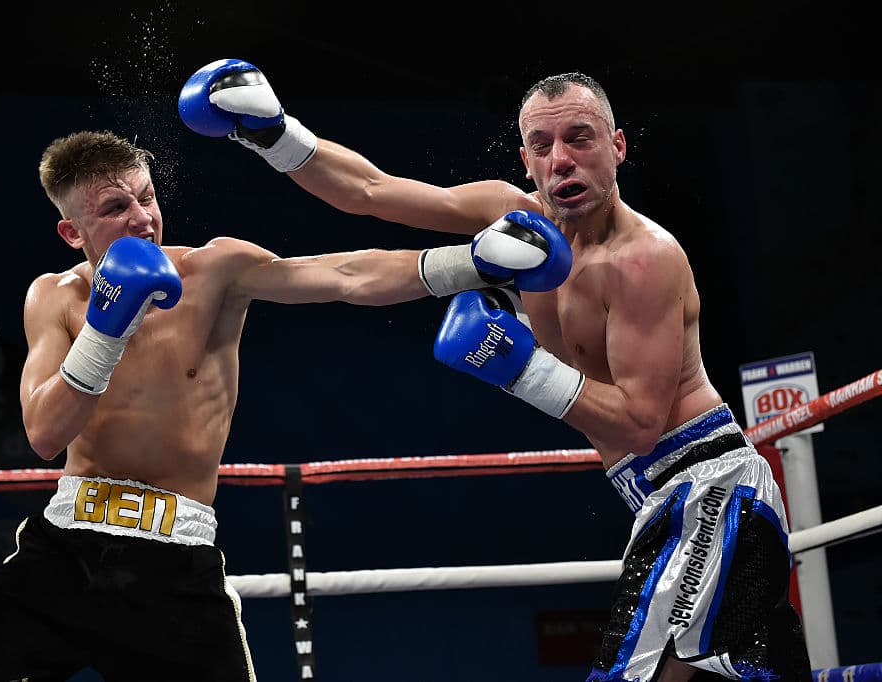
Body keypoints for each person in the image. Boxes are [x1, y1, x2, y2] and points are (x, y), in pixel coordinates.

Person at [178, 60, 814, 681]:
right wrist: (273, 132)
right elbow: (369, 191)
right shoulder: (514, 217)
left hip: (709, 488)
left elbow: (644, 423)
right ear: (526, 160)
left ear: (617, 147)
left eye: (580, 138)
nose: (561, 157)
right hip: (657, 496)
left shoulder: (644, 260)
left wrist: (519, 368)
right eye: (542, 145)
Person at [0, 130, 567, 681]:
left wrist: (471, 263)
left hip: (173, 564)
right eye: (115, 208)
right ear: (72, 231)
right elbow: (43, 432)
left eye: (146, 196)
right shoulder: (53, 298)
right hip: (64, 550)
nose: (143, 218)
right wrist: (105, 329)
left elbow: (346, 276)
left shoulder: (216, 272)